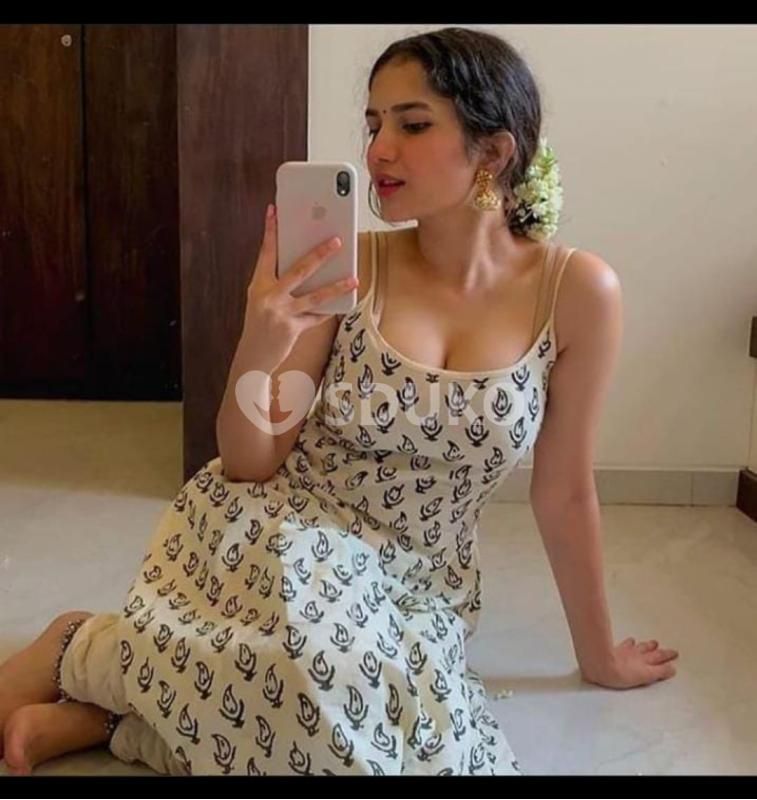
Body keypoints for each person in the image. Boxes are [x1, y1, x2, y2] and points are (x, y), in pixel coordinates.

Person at [0, 26, 678, 776]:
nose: (378, 150)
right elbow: (251, 461)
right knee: (321, 669)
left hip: (422, 579)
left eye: (411, 125)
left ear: (492, 151)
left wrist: (599, 654)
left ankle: (114, 718)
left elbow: (565, 491)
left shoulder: (575, 292)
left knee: (418, 753)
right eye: (373, 124)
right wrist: (259, 341)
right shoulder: (352, 268)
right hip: (287, 530)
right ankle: (79, 648)